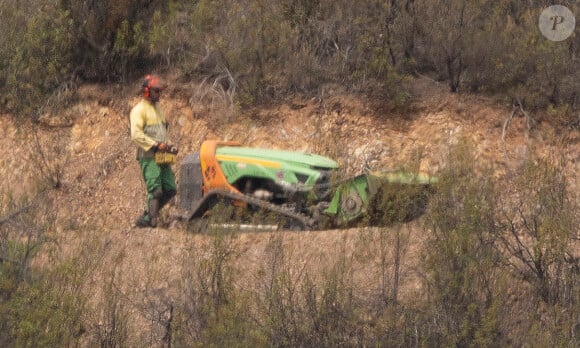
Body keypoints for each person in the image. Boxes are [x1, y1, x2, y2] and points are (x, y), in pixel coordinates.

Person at [130, 74, 178, 228]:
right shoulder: (138, 110)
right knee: (155, 190)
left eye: (159, 91)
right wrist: (156, 144)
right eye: (156, 91)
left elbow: (163, 133)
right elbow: (136, 135)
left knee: (170, 189)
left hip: (162, 154)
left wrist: (170, 145)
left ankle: (148, 215)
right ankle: (151, 220)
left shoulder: (159, 109)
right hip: (149, 155)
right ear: (147, 91)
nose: (159, 94)